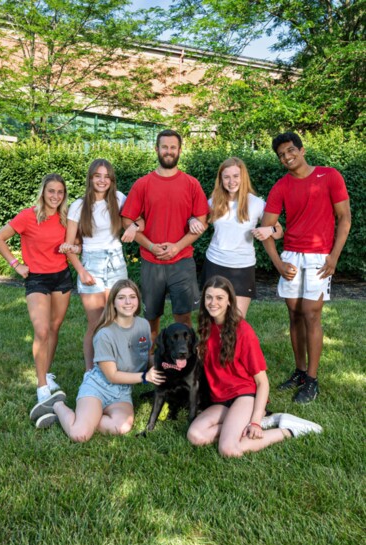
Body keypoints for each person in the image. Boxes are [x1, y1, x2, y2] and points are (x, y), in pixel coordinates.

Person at [187, 276, 323, 458]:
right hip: (221, 399)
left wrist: (256, 422)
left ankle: (288, 430)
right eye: (209, 297)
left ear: (229, 301)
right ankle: (245, 424)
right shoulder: (206, 327)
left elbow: (262, 382)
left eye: (219, 298)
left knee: (229, 449)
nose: (213, 303)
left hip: (244, 396)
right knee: (195, 435)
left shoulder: (243, 332)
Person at [261, 132, 351, 404]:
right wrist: (278, 263)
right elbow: (266, 229)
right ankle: (300, 372)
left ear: (302, 150)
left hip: (319, 257)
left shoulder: (330, 176)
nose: (287, 157)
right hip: (291, 256)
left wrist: (334, 257)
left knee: (311, 315)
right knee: (294, 315)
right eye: (281, 155)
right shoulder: (281, 186)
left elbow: (344, 219)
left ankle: (312, 380)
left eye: (290, 151)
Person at [30, 279, 166, 440]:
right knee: (80, 435)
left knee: (121, 427)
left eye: (132, 296)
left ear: (138, 299)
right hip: (98, 387)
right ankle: (57, 406)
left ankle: (87, 419)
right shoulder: (105, 334)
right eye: (121, 297)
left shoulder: (143, 325)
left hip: (122, 392)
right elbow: (112, 375)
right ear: (113, 303)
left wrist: (161, 366)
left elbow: (146, 356)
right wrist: (145, 377)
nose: (128, 302)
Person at [0, 174, 74, 409]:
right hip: (36, 279)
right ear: (43, 192)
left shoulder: (65, 217)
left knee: (55, 328)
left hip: (61, 277)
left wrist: (73, 246)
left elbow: (74, 244)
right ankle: (41, 387)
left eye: (60, 192)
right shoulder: (28, 216)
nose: (55, 196)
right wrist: (16, 265)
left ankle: (47, 373)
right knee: (41, 330)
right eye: (51, 191)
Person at [121, 129, 209, 345]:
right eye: (164, 147)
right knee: (151, 318)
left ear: (179, 150)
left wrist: (177, 247)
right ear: (156, 149)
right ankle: (151, 360)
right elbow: (127, 221)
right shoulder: (143, 184)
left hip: (182, 261)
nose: (168, 151)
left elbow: (202, 222)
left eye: (173, 147)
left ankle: (185, 361)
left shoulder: (191, 184)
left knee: (184, 317)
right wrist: (151, 246)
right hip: (152, 263)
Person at [61, 159, 139, 371]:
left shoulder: (119, 198)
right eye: (98, 176)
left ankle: (115, 368)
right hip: (91, 264)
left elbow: (141, 216)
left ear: (111, 179)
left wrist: (135, 227)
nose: (102, 180)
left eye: (106, 176)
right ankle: (91, 371)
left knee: (117, 319)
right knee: (96, 323)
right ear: (91, 178)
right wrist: (81, 271)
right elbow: (68, 246)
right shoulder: (79, 205)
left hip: (116, 262)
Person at [189, 157, 283, 317]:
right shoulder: (213, 202)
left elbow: (279, 231)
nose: (231, 181)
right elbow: (198, 220)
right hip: (215, 264)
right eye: (226, 177)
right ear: (221, 179)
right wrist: (191, 220)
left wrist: (269, 229)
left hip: (243, 267)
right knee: (213, 318)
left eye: (235, 176)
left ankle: (233, 344)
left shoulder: (257, 203)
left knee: (237, 320)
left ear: (243, 177)